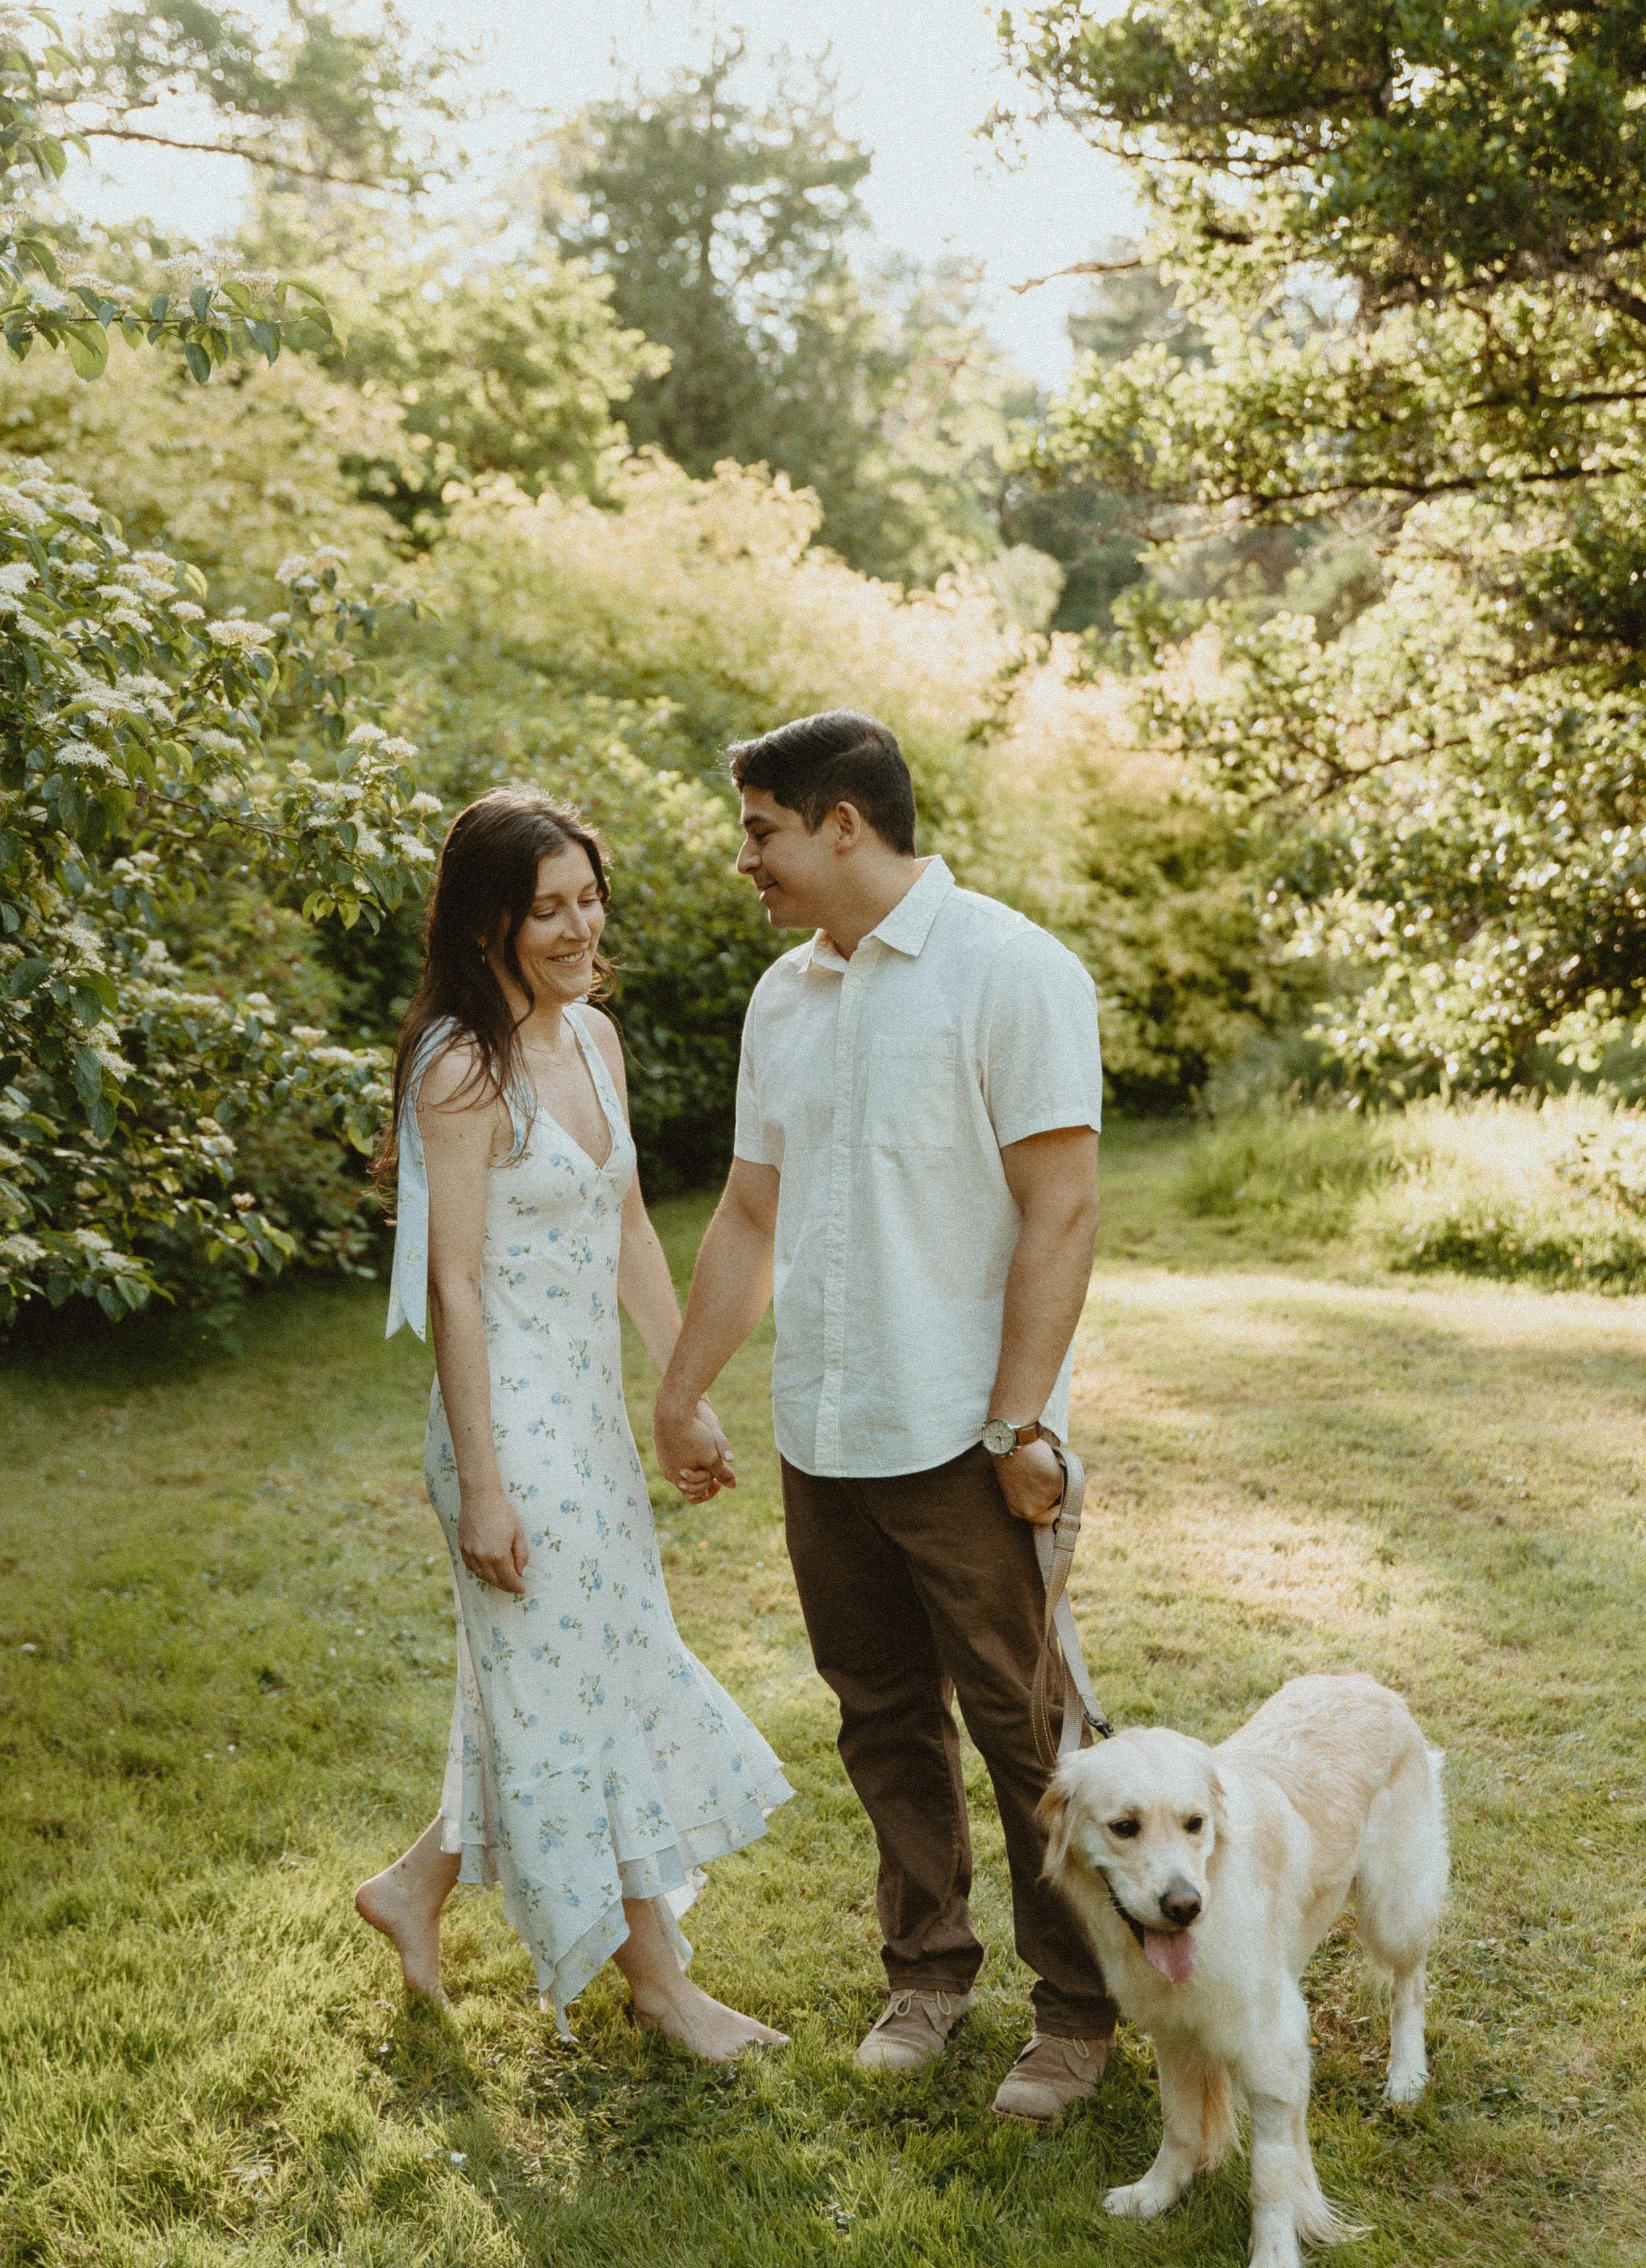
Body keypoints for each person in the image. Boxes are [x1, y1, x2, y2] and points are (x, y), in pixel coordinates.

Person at [652, 710, 1116, 2121]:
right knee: (880, 1722)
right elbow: (750, 1213)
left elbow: (1062, 1208)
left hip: (967, 1441)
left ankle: (1079, 2010)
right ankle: (926, 1976)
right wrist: (683, 1387)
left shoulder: (1011, 971)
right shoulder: (781, 999)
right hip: (824, 1434)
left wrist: (1018, 1426)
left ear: (841, 823)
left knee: (1028, 1735)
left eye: (761, 832)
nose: (747, 860)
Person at [355, 786, 792, 2060]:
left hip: (589, 1419)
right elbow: (453, 1285)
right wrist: (485, 1485)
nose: (577, 928)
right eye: (546, 909)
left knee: (570, 1676)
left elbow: (630, 1222)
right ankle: (660, 1986)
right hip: (504, 1429)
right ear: (485, 925)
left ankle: (413, 1888)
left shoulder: (594, 1038)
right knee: (584, 1687)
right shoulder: (461, 1067)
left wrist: (678, 1392)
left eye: (588, 900)